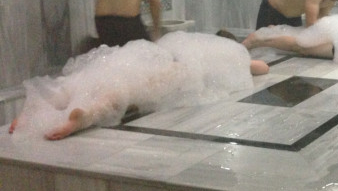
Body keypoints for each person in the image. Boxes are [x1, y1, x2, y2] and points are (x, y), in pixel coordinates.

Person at [9, 32, 269, 141]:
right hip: (176, 71)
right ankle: (85, 116)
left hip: (143, 57)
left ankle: (33, 110)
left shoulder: (182, 41)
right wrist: (240, 52)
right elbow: (262, 67)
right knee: (127, 93)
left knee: (84, 79)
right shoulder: (223, 55)